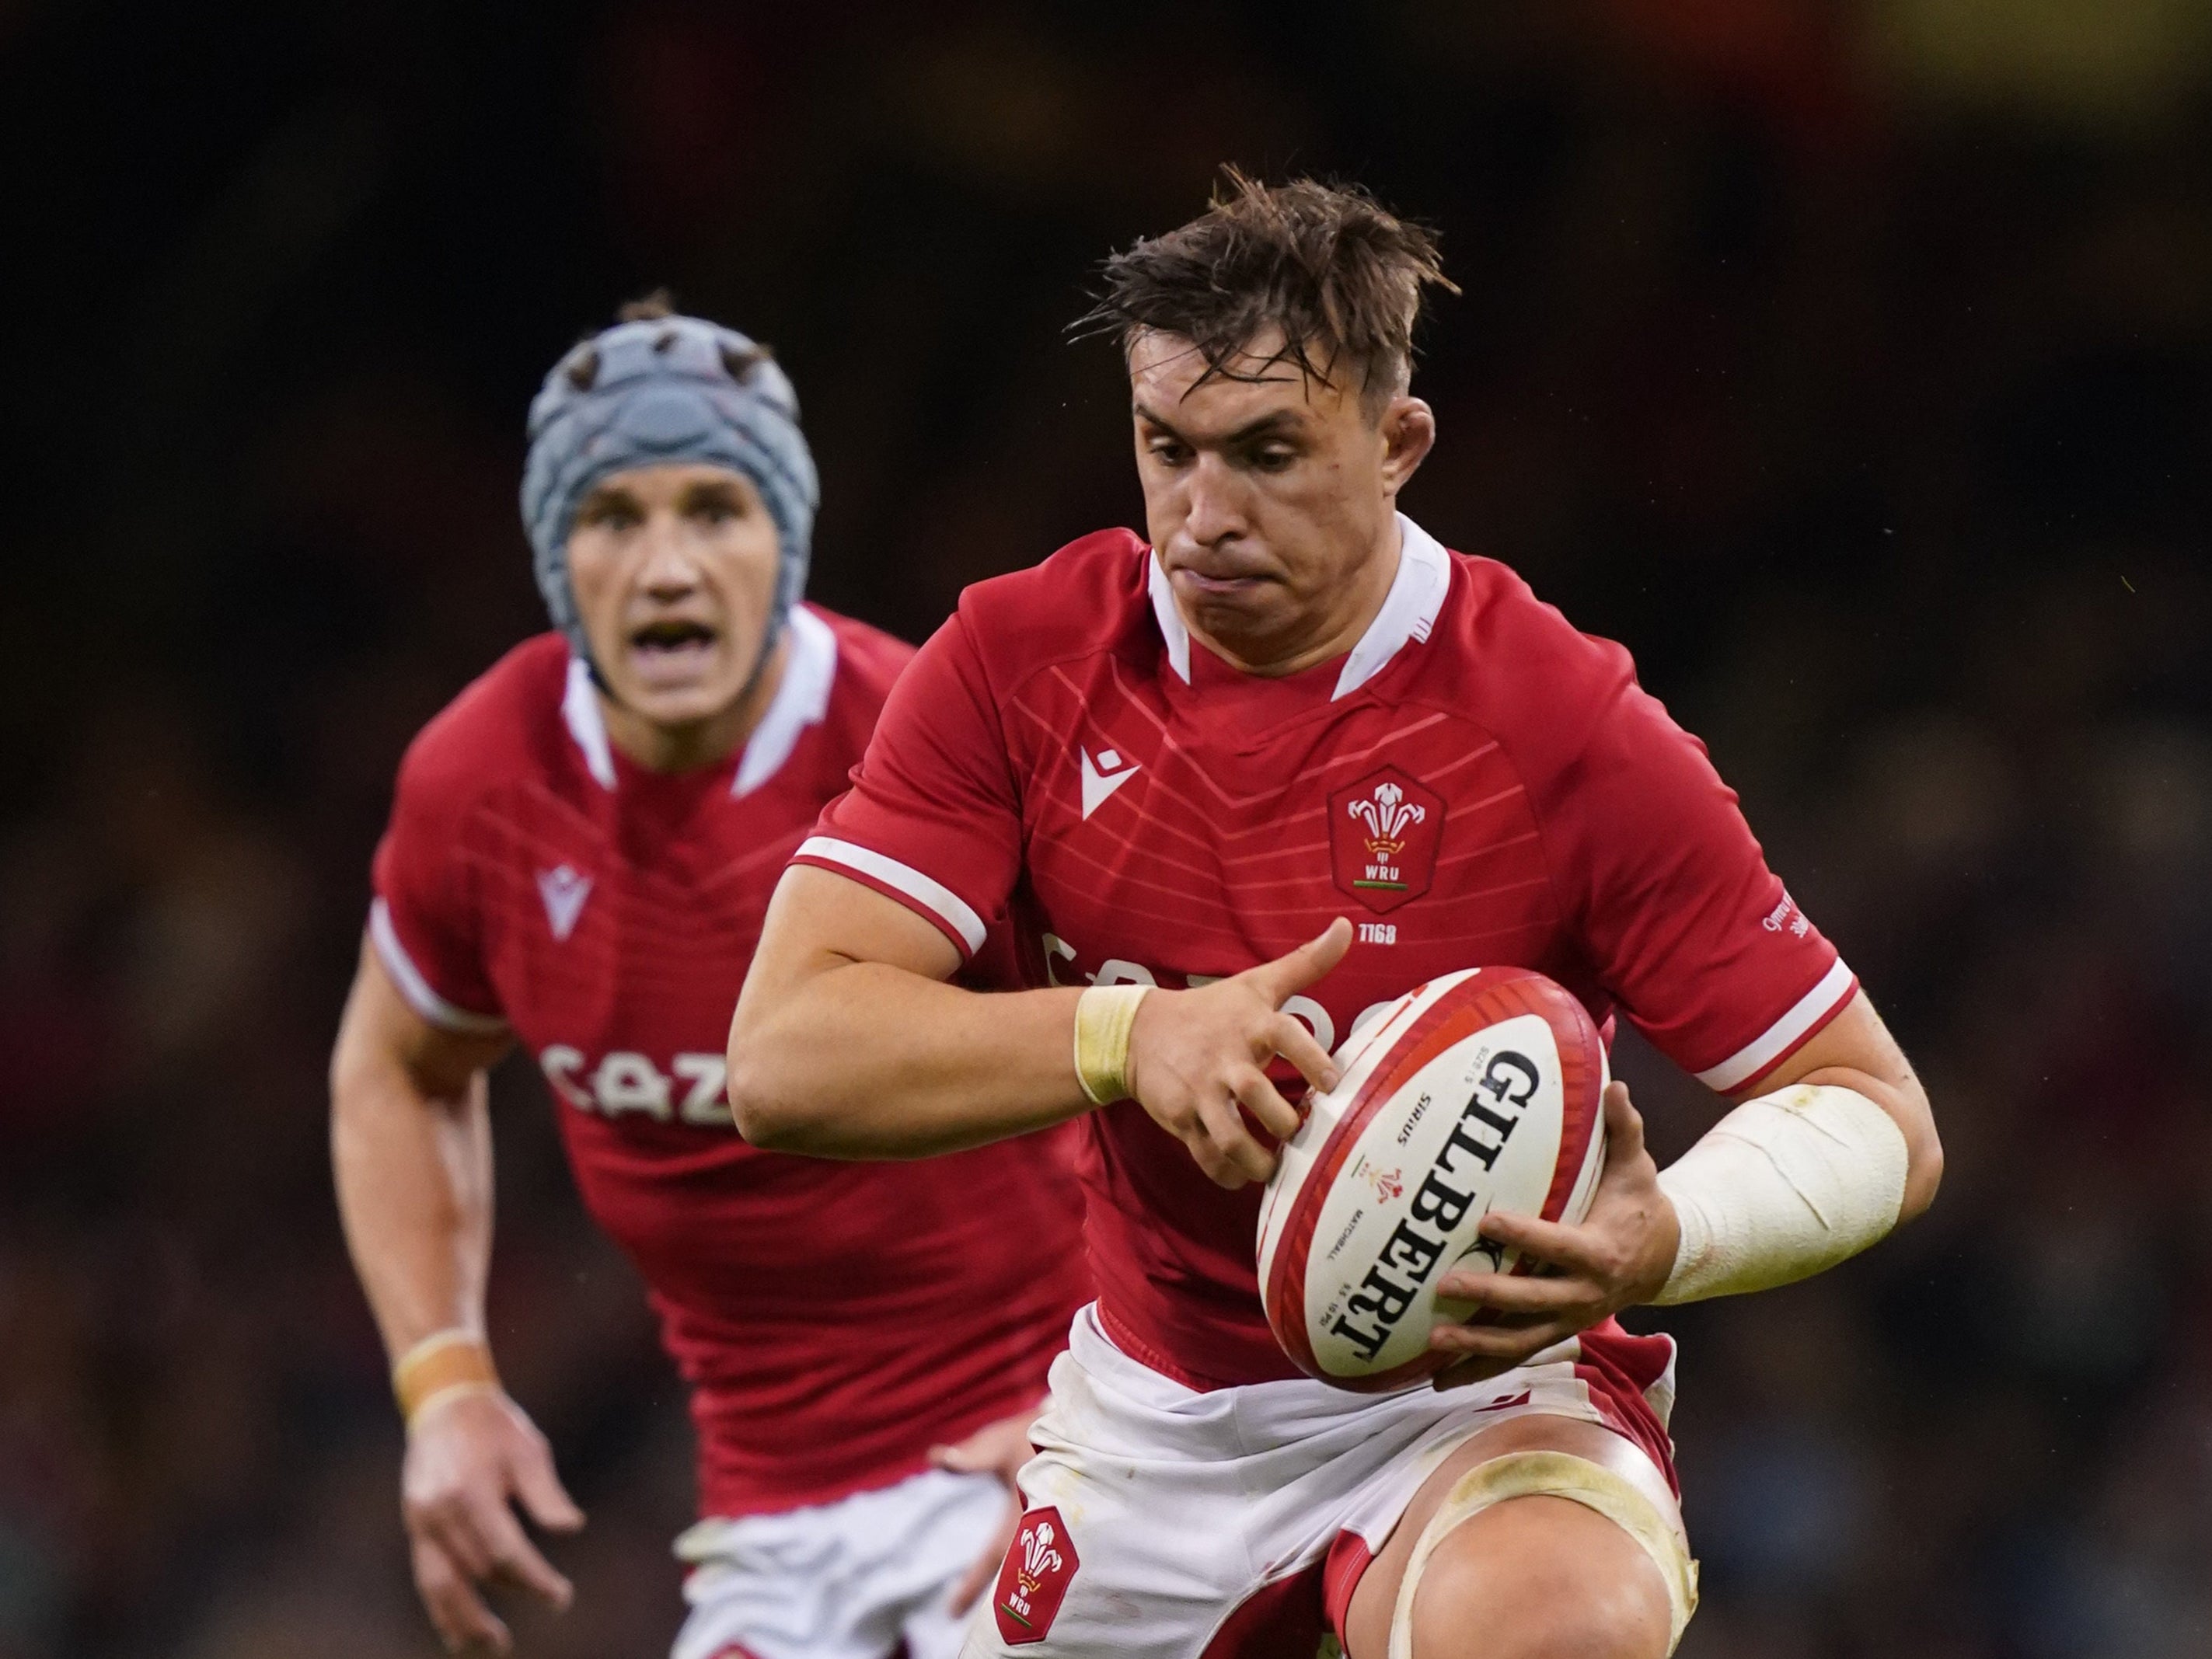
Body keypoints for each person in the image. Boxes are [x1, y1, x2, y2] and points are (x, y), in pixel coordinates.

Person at [724, 174, 1943, 1659]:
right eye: (1165, 451)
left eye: (1267, 454)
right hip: (1153, 1417)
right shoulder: (1020, 664)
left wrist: (1669, 1231)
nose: (1202, 514)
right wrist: (1126, 1036)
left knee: (1556, 1625)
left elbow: (1874, 1108)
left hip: (1474, 1408)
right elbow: (784, 1059)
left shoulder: (1565, 729)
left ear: (1398, 443)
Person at [330, 296, 1090, 1659]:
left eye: (716, 511)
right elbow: (394, 1066)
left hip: (1048, 1445)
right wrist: (444, 1387)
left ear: (785, 539)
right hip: (771, 1521)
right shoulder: (482, 783)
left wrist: (1122, 1405)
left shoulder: (930, 745)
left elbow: (1167, 1055)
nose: (666, 566)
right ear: (554, 554)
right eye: (614, 518)